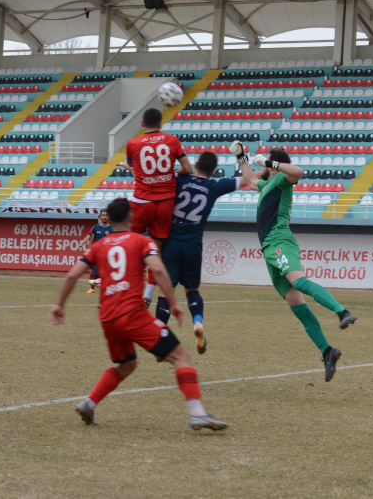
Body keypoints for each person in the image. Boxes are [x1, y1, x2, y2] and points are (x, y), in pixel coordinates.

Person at [50, 197, 228, 431]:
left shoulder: (98, 245)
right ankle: (197, 414)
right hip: (132, 314)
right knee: (181, 357)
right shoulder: (142, 241)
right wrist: (173, 303)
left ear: (109, 219)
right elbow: (157, 268)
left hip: (108, 318)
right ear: (132, 216)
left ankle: (89, 403)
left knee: (127, 364)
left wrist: (59, 305)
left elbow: (72, 276)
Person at [232, 141, 356, 382]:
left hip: (279, 241)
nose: (264, 166)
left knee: (298, 282)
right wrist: (242, 158)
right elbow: (248, 180)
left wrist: (270, 162)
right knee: (297, 305)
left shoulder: (280, 180)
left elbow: (298, 173)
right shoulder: (268, 184)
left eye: (268, 163)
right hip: (269, 247)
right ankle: (328, 352)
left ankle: (342, 312)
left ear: (274, 165)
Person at [154, 151, 244, 355]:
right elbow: (245, 179)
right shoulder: (215, 186)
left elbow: (158, 180)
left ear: (195, 164)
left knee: (166, 292)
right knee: (191, 291)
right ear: (213, 171)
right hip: (193, 245)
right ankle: (198, 323)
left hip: (172, 244)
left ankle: (159, 334)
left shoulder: (179, 179)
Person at [115, 108, 192, 306]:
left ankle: (125, 286)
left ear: (142, 123)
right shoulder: (172, 140)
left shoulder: (133, 144)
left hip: (142, 202)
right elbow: (188, 169)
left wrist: (127, 167)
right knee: (155, 250)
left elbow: (138, 171)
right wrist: (170, 173)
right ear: (160, 123)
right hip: (165, 203)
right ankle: (148, 293)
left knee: (127, 242)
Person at [80, 209, 112, 293]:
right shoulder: (95, 227)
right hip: (98, 255)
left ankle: (106, 289)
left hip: (108, 255)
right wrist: (89, 250)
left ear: (108, 217)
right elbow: (92, 239)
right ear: (100, 216)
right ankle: (94, 288)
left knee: (107, 274)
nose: (104, 217)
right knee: (96, 273)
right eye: (103, 215)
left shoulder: (112, 228)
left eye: (106, 215)